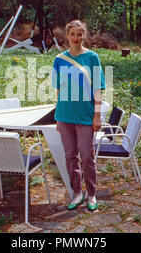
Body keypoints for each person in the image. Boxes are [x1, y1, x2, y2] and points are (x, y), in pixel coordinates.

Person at [52, 20, 105, 211]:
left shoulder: (92, 58)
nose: (76, 38)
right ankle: (77, 193)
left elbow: (98, 89)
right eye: (73, 34)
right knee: (70, 156)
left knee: (86, 156)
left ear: (84, 35)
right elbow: (58, 91)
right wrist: (58, 117)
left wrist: (96, 116)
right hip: (65, 115)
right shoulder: (59, 59)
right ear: (67, 35)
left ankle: (91, 194)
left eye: (80, 34)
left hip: (85, 115)